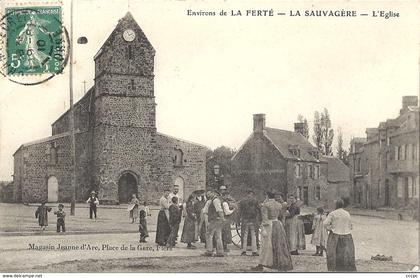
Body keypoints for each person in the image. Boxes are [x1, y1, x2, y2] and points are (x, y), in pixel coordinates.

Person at [252, 191, 293, 272]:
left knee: (266, 246)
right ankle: (280, 263)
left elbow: (265, 219)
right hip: (278, 224)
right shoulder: (279, 205)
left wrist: (263, 229)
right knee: (279, 245)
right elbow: (282, 216)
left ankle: (263, 264)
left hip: (269, 226)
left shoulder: (265, 205)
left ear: (267, 196)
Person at [324, 199, 356, 271]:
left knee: (333, 253)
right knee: (346, 254)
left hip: (335, 236)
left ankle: (334, 269)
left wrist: (330, 228)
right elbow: (351, 226)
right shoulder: (347, 213)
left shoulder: (332, 213)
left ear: (336, 205)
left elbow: (325, 223)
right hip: (347, 236)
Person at [202, 190, 225, 257]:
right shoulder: (212, 200)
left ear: (213, 193)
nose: (208, 195)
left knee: (209, 235)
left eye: (209, 193)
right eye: (207, 194)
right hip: (217, 219)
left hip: (214, 220)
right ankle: (220, 252)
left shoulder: (215, 200)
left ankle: (209, 251)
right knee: (218, 236)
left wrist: (222, 218)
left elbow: (219, 210)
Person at [238, 189, 260, 256]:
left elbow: (239, 211)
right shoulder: (255, 200)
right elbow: (259, 210)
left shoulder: (242, 201)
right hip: (253, 220)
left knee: (244, 235)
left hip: (245, 220)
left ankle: (244, 251)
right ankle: (254, 251)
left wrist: (238, 220)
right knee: (254, 235)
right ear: (252, 194)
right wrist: (260, 219)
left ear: (246, 194)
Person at [219, 185, 235, 253]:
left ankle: (222, 246)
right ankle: (224, 247)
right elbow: (227, 212)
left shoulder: (220, 199)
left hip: (221, 218)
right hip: (225, 218)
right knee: (225, 232)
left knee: (222, 232)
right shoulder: (224, 201)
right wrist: (233, 210)